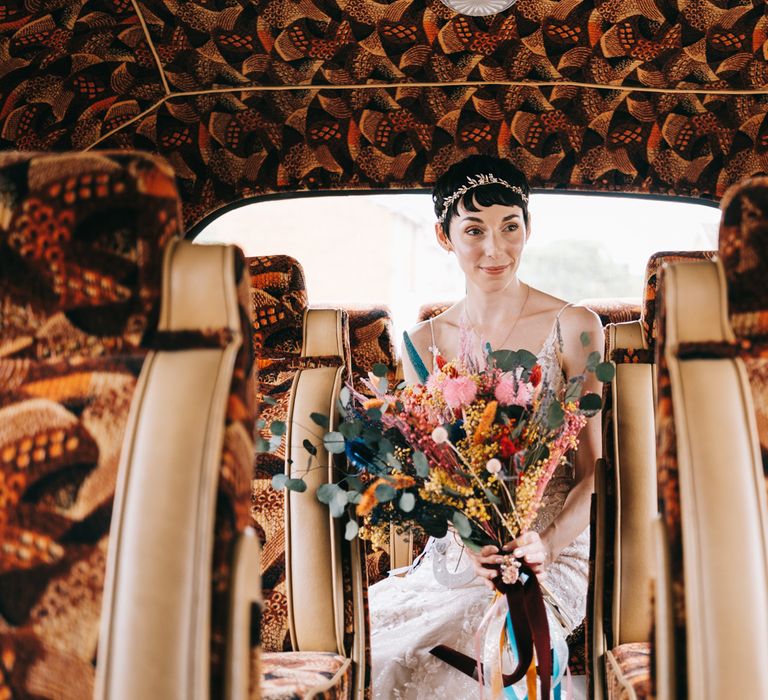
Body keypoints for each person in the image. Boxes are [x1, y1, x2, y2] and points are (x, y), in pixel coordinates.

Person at [368, 154, 603, 699]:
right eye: (473, 230)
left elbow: (597, 472)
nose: (494, 250)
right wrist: (471, 543)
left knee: (467, 659)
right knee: (381, 655)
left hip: (552, 549)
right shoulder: (423, 344)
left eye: (509, 227)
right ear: (444, 236)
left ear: (528, 228)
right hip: (460, 554)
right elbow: (431, 471)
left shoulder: (577, 328)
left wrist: (541, 543)